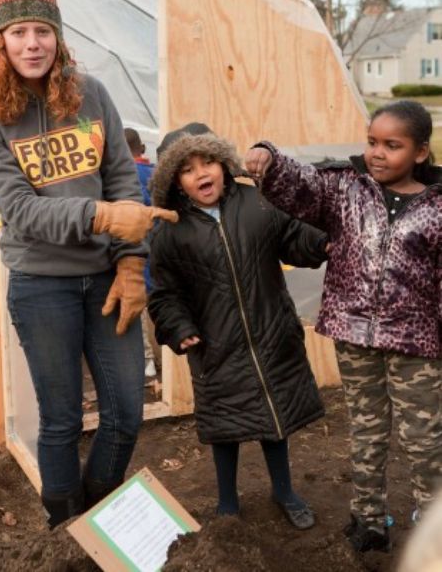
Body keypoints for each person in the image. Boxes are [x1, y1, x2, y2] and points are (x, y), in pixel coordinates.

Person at [0, 0, 177, 529]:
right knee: (59, 421)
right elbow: (23, 212)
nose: (33, 44)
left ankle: (97, 513)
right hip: (41, 285)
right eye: (18, 33)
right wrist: (103, 215)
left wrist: (132, 264)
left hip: (107, 279)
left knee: (127, 414)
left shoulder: (92, 95)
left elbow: (123, 179)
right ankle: (66, 532)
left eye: (43, 31)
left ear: (58, 34)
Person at [245, 100, 442, 553]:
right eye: (372, 141)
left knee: (424, 437)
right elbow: (301, 186)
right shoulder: (344, 188)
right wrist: (268, 156)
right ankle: (370, 520)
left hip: (415, 342)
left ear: (420, 152)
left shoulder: (436, 208)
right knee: (367, 429)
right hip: (355, 336)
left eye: (393, 145)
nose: (377, 153)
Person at [148, 124, 329, 529]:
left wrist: (321, 242)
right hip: (216, 345)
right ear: (175, 181)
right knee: (224, 425)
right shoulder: (169, 231)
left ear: (225, 165)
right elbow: (165, 294)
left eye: (208, 161)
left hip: (270, 334)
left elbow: (293, 235)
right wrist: (179, 328)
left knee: (273, 418)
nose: (201, 173)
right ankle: (227, 502)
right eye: (188, 169)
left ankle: (284, 491)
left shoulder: (258, 202)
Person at [124, 126, 157, 377]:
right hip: (163, 252)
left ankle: (146, 361)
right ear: (143, 149)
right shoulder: (157, 174)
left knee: (139, 310)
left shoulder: (123, 177)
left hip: (136, 254)